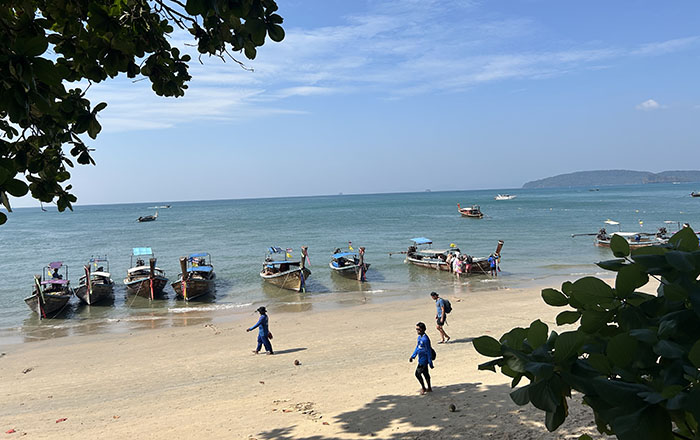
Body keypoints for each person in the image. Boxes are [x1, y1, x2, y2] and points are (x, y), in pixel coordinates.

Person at [409, 322, 433, 395]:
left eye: (418, 329)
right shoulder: (419, 338)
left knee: (417, 374)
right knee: (425, 373)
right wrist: (413, 356)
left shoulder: (425, 339)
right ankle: (429, 387)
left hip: (424, 360)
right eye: (416, 329)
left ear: (422, 329)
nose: (417, 331)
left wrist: (430, 362)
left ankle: (423, 387)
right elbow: (418, 347)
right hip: (420, 358)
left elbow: (428, 351)